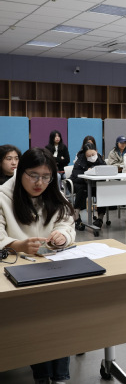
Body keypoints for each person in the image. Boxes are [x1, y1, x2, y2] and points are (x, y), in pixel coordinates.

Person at [0, 147, 75, 384]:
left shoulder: (53, 192)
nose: (39, 183)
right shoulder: (3, 196)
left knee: (61, 312)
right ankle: (43, 377)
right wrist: (19, 245)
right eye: (33, 175)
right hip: (17, 270)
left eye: (45, 177)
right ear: (21, 171)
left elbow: (66, 222)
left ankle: (60, 377)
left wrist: (62, 236)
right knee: (37, 315)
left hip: (53, 265)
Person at [70, 142, 107, 230]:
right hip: (80, 184)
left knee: (102, 190)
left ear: (96, 151)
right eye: (89, 156)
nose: (91, 157)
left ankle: (100, 218)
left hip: (94, 185)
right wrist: (86, 173)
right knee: (83, 189)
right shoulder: (80, 161)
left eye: (93, 154)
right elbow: (75, 177)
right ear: (85, 155)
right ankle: (76, 216)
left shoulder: (100, 159)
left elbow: (105, 170)